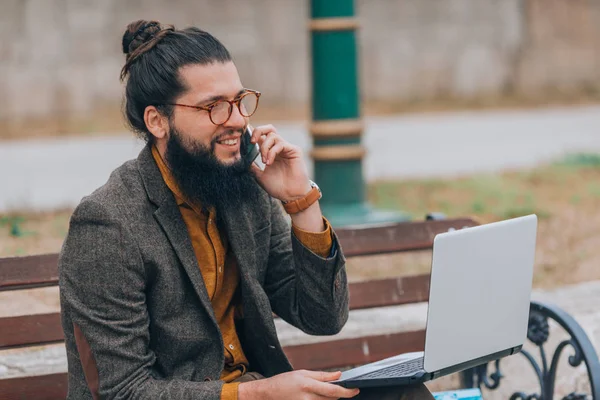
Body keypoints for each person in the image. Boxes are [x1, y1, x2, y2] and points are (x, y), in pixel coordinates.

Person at [58, 19, 435, 400]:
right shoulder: (108, 223)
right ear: (157, 121)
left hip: (259, 391)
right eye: (214, 107)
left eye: (239, 101)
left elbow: (323, 317)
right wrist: (258, 394)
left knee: (405, 394)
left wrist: (299, 200)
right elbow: (122, 391)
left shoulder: (243, 191)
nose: (238, 120)